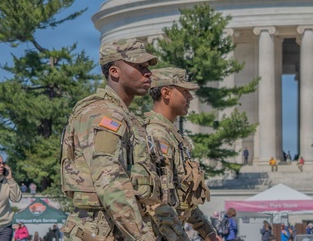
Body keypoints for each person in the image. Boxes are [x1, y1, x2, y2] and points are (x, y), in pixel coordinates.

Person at [60, 38, 186, 241]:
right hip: (101, 231)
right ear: (114, 72)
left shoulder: (127, 117)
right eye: (139, 66)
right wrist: (143, 237)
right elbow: (110, 182)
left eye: (147, 67)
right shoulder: (103, 114)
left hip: (120, 229)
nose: (148, 73)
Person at [143, 67, 218, 241]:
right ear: (166, 93)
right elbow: (156, 202)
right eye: (185, 91)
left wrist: (207, 231)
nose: (190, 97)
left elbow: (182, 198)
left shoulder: (173, 137)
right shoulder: (154, 135)